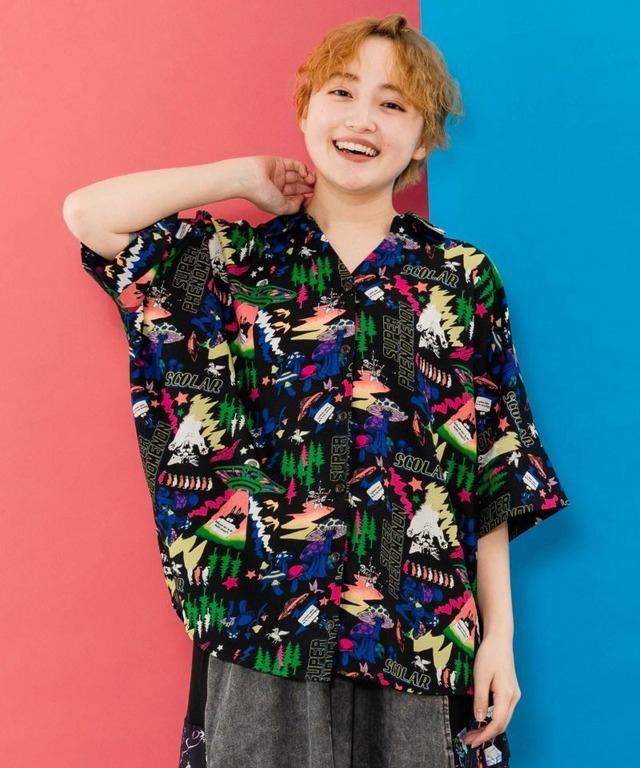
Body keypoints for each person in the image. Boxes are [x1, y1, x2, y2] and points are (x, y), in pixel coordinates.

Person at [63, 13, 570, 768]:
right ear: (305, 110)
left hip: (419, 635)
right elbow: (88, 216)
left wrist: (499, 639)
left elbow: (491, 473)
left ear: (423, 140)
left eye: (393, 104)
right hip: (261, 629)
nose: (363, 118)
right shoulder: (232, 263)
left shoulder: (460, 279)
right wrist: (240, 177)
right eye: (342, 92)